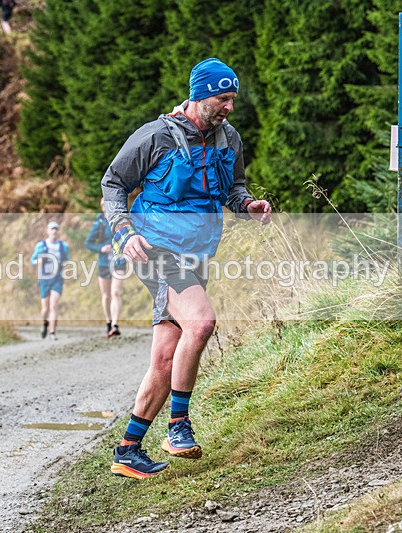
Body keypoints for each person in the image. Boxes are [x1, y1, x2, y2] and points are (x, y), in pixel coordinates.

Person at [102, 58, 272, 479]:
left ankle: (128, 451)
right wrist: (124, 233)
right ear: (199, 95)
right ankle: (178, 427)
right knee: (202, 322)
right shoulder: (156, 136)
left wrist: (247, 205)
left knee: (165, 355)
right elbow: (113, 184)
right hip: (155, 248)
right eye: (223, 98)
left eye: (233, 98)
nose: (230, 106)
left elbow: (233, 188)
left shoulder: (229, 138)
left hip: (198, 253)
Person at [84, 199, 126, 337]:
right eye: (103, 204)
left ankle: (115, 324)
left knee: (116, 292)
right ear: (102, 207)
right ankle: (108, 322)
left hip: (119, 261)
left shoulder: (120, 220)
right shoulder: (100, 223)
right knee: (106, 295)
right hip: (103, 263)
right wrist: (101, 248)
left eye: (109, 203)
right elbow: (88, 243)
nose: (106, 206)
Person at [30, 220, 69, 340]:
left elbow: (67, 260)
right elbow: (32, 261)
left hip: (57, 278)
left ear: (58, 232)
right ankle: (44, 323)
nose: (54, 231)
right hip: (44, 278)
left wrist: (63, 264)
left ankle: (53, 333)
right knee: (45, 308)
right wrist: (39, 261)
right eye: (52, 229)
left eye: (56, 229)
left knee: (54, 305)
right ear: (48, 231)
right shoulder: (41, 245)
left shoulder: (63, 246)